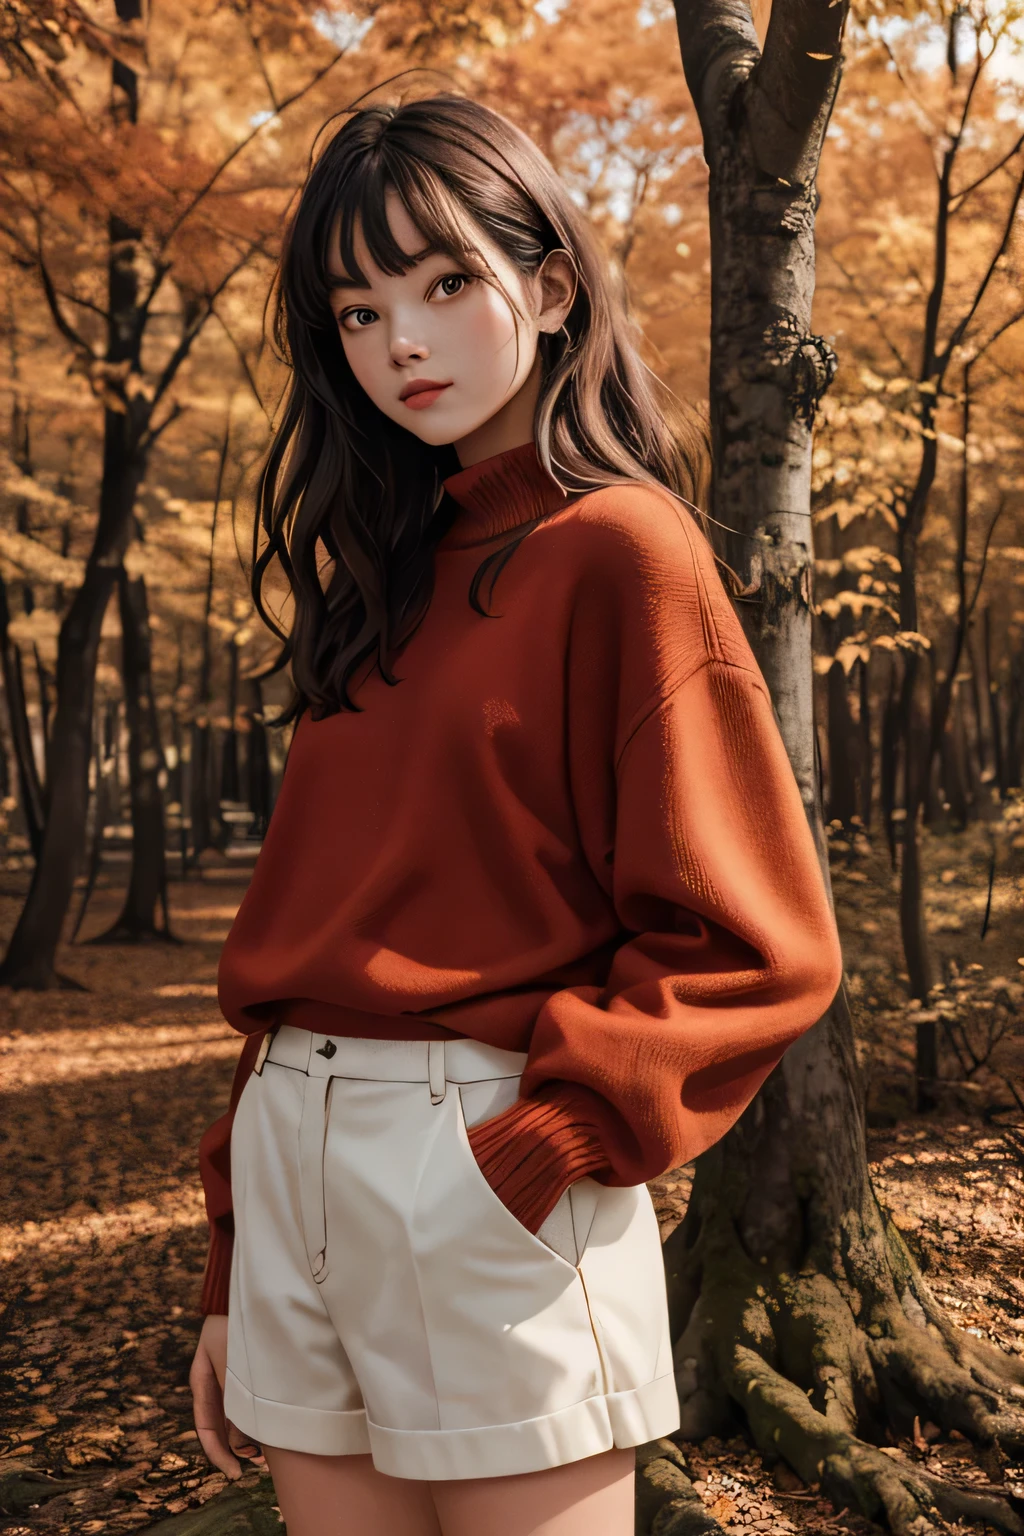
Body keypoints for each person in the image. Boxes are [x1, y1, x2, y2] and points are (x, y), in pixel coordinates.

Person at [188, 91, 843, 1536]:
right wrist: (239, 1247)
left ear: (547, 288)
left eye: (442, 284)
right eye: (356, 312)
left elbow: (760, 942)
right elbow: (313, 938)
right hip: (294, 1149)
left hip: (482, 1149)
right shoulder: (380, 582)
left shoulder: (620, 547)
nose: (400, 343)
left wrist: (541, 1145)